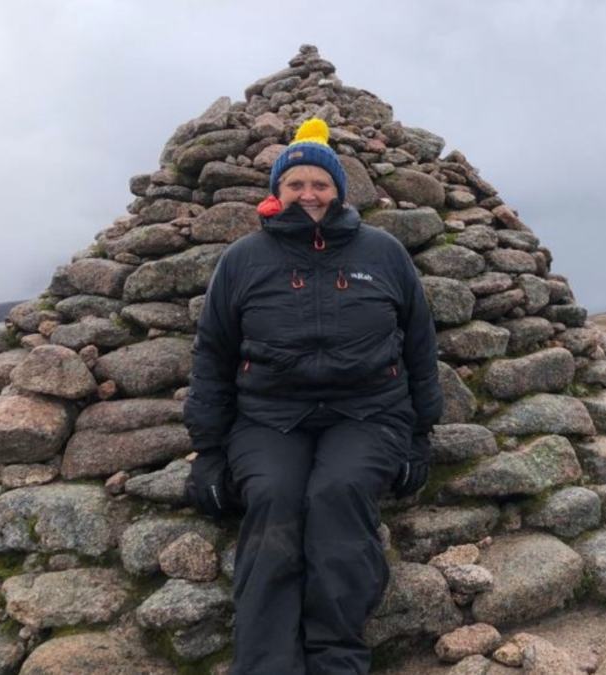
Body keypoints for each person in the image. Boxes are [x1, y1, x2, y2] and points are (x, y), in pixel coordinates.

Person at [182, 117, 443, 674]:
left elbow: (420, 343)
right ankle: (267, 665)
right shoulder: (243, 259)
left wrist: (421, 435)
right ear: (276, 192)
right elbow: (214, 354)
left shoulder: (384, 252)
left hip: (369, 414)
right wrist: (208, 450)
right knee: (273, 498)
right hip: (270, 417)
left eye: (319, 184)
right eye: (295, 184)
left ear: (339, 191)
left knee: (338, 494)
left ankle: (335, 658)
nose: (308, 194)